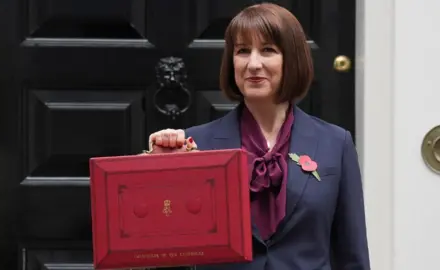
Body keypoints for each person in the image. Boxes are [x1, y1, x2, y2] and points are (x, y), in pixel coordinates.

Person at [146, 3, 370, 270]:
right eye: (242, 51)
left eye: (268, 50)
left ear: (292, 58)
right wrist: (158, 170)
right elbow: (166, 253)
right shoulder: (196, 146)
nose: (253, 64)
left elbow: (352, 255)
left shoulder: (336, 143)